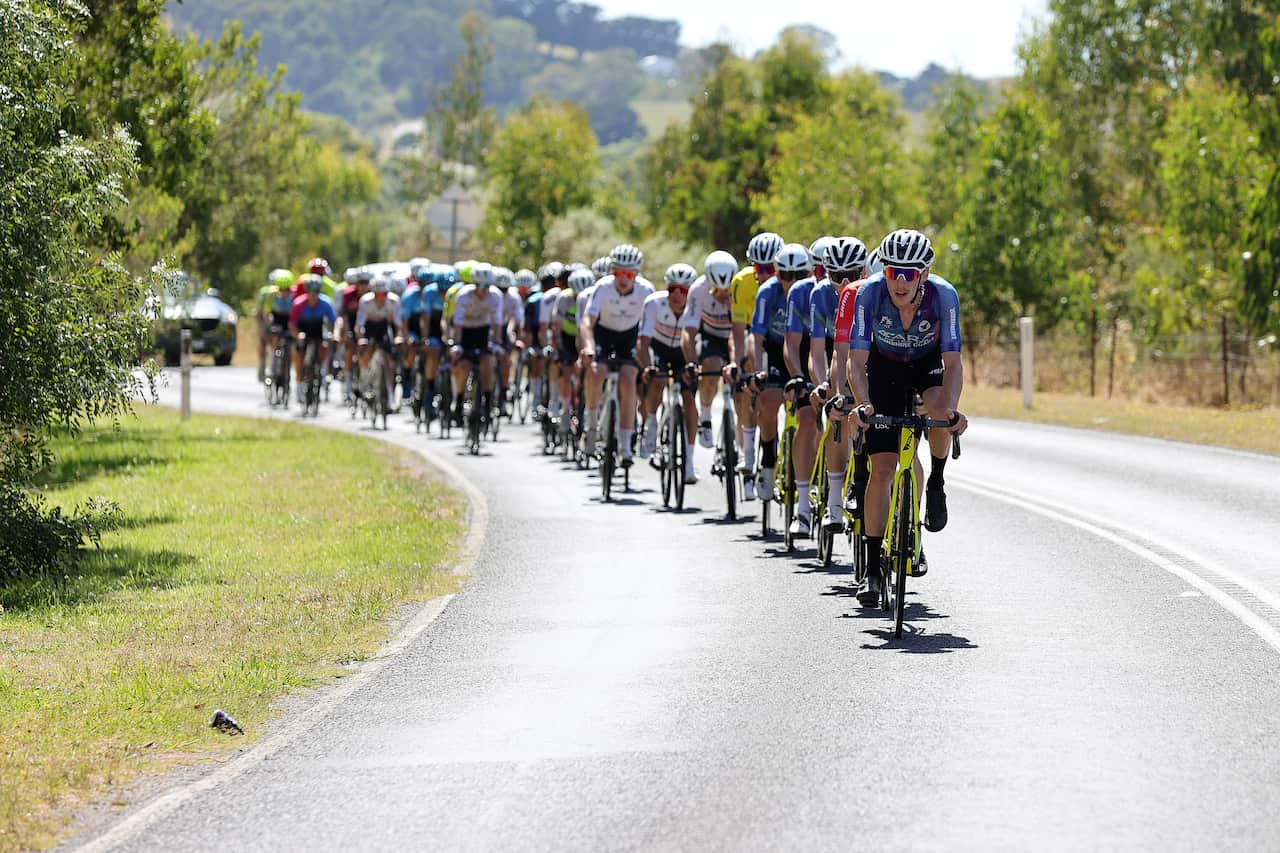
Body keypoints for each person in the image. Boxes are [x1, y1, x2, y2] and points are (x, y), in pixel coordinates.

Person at [846, 229, 968, 605]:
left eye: (909, 273)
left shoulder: (943, 297)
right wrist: (863, 403)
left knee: (937, 408)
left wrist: (950, 409)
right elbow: (856, 361)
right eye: (893, 271)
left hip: (926, 365)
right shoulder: (869, 294)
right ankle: (872, 569)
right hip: (884, 369)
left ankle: (936, 481)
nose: (899, 281)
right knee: (881, 469)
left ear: (924, 275)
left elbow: (952, 364)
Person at [810, 236, 870, 532]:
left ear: (865, 271)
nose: (844, 281)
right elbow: (827, 350)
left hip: (866, 355)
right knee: (840, 420)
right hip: (838, 353)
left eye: (852, 275)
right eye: (836, 276)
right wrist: (832, 390)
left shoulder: (870, 291)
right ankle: (834, 502)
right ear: (825, 273)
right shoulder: (820, 294)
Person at [579, 243, 654, 464]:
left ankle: (624, 444)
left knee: (629, 379)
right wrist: (589, 348)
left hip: (629, 336)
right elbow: (586, 322)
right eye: (619, 273)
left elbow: (649, 327)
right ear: (612, 272)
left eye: (628, 274)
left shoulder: (646, 291)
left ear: (636, 275)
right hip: (603, 333)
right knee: (597, 371)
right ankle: (591, 425)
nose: (623, 278)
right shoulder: (602, 287)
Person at [747, 242, 810, 503]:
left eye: (800, 275)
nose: (792, 281)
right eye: (785, 275)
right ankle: (768, 458)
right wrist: (758, 371)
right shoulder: (767, 292)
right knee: (769, 400)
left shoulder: (812, 293)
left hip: (805, 349)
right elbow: (755, 338)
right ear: (776, 274)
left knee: (811, 412)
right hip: (774, 349)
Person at [728, 232, 784, 500]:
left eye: (770, 269)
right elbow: (739, 331)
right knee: (748, 386)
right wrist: (739, 364)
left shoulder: (787, 284)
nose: (764, 274)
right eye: (759, 269)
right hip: (753, 333)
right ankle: (748, 456)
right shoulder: (741, 282)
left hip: (779, 337)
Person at [638, 264, 698, 483]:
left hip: (683, 352)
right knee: (658, 380)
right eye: (672, 288)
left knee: (690, 401)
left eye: (682, 290)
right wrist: (647, 368)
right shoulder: (654, 303)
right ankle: (651, 422)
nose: (676, 294)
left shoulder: (696, 307)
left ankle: (690, 462)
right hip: (659, 348)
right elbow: (643, 342)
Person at [680, 251, 737, 451]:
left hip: (735, 333)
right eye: (717, 290)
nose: (722, 294)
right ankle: (705, 417)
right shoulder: (698, 290)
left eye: (727, 289)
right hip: (710, 335)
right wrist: (692, 364)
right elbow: (688, 331)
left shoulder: (741, 287)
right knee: (710, 368)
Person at [450, 262, 504, 427]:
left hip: (483, 331)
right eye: (480, 287)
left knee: (487, 363)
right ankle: (458, 400)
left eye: (486, 287)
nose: (483, 291)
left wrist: (496, 343)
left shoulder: (495, 296)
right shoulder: (463, 295)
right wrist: (457, 344)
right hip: (465, 331)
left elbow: (497, 323)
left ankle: (487, 401)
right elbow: (457, 323)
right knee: (464, 366)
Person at [288, 274, 337, 402]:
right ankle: (299, 385)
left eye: (316, 292)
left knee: (325, 345)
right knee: (299, 356)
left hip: (318, 329)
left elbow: (333, 322)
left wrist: (333, 335)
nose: (313, 295)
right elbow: (292, 324)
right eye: (310, 292)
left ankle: (321, 369)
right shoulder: (298, 303)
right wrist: (297, 335)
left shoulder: (326, 303)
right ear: (306, 291)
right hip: (302, 329)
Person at [356, 275, 404, 404]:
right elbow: (359, 325)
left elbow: (398, 324)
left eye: (383, 294)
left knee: (388, 358)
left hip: (384, 327)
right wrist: (361, 339)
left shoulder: (394, 301)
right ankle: (364, 379)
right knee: (366, 350)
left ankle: (389, 394)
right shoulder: (365, 301)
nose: (380, 297)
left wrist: (399, 337)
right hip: (369, 327)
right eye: (377, 294)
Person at [256, 268, 294, 382]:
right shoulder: (267, 293)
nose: (284, 291)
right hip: (270, 318)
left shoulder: (293, 295)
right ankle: (267, 366)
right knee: (267, 340)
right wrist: (264, 328)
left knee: (290, 342)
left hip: (286, 319)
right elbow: (263, 313)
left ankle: (287, 368)